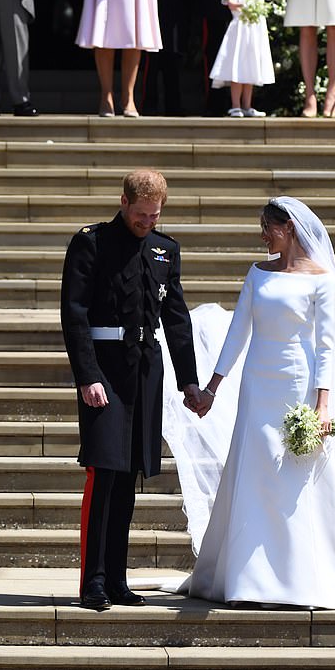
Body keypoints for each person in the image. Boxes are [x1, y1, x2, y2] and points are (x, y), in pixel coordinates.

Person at [161, 197, 335, 609]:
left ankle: (304, 574)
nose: (262, 236)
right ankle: (248, 575)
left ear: (287, 227)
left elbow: (327, 347)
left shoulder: (320, 279)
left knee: (295, 473)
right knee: (254, 470)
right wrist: (213, 387)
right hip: (258, 383)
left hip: (299, 385)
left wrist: (323, 405)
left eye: (267, 228)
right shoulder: (257, 274)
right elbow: (238, 332)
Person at [60, 169, 200, 611]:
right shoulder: (92, 242)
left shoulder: (165, 249)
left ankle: (118, 579)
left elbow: (176, 318)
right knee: (104, 472)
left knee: (129, 478)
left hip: (144, 370)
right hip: (104, 368)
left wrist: (189, 381)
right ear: (123, 202)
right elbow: (75, 313)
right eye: (141, 215)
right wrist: (86, 376)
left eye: (154, 215)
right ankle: (93, 582)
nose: (147, 222)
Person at [210, 0, 300, 117]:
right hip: (239, 32)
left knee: (250, 68)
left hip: (255, 33)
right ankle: (235, 105)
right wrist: (244, 4)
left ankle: (247, 105)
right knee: (238, 67)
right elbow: (231, 4)